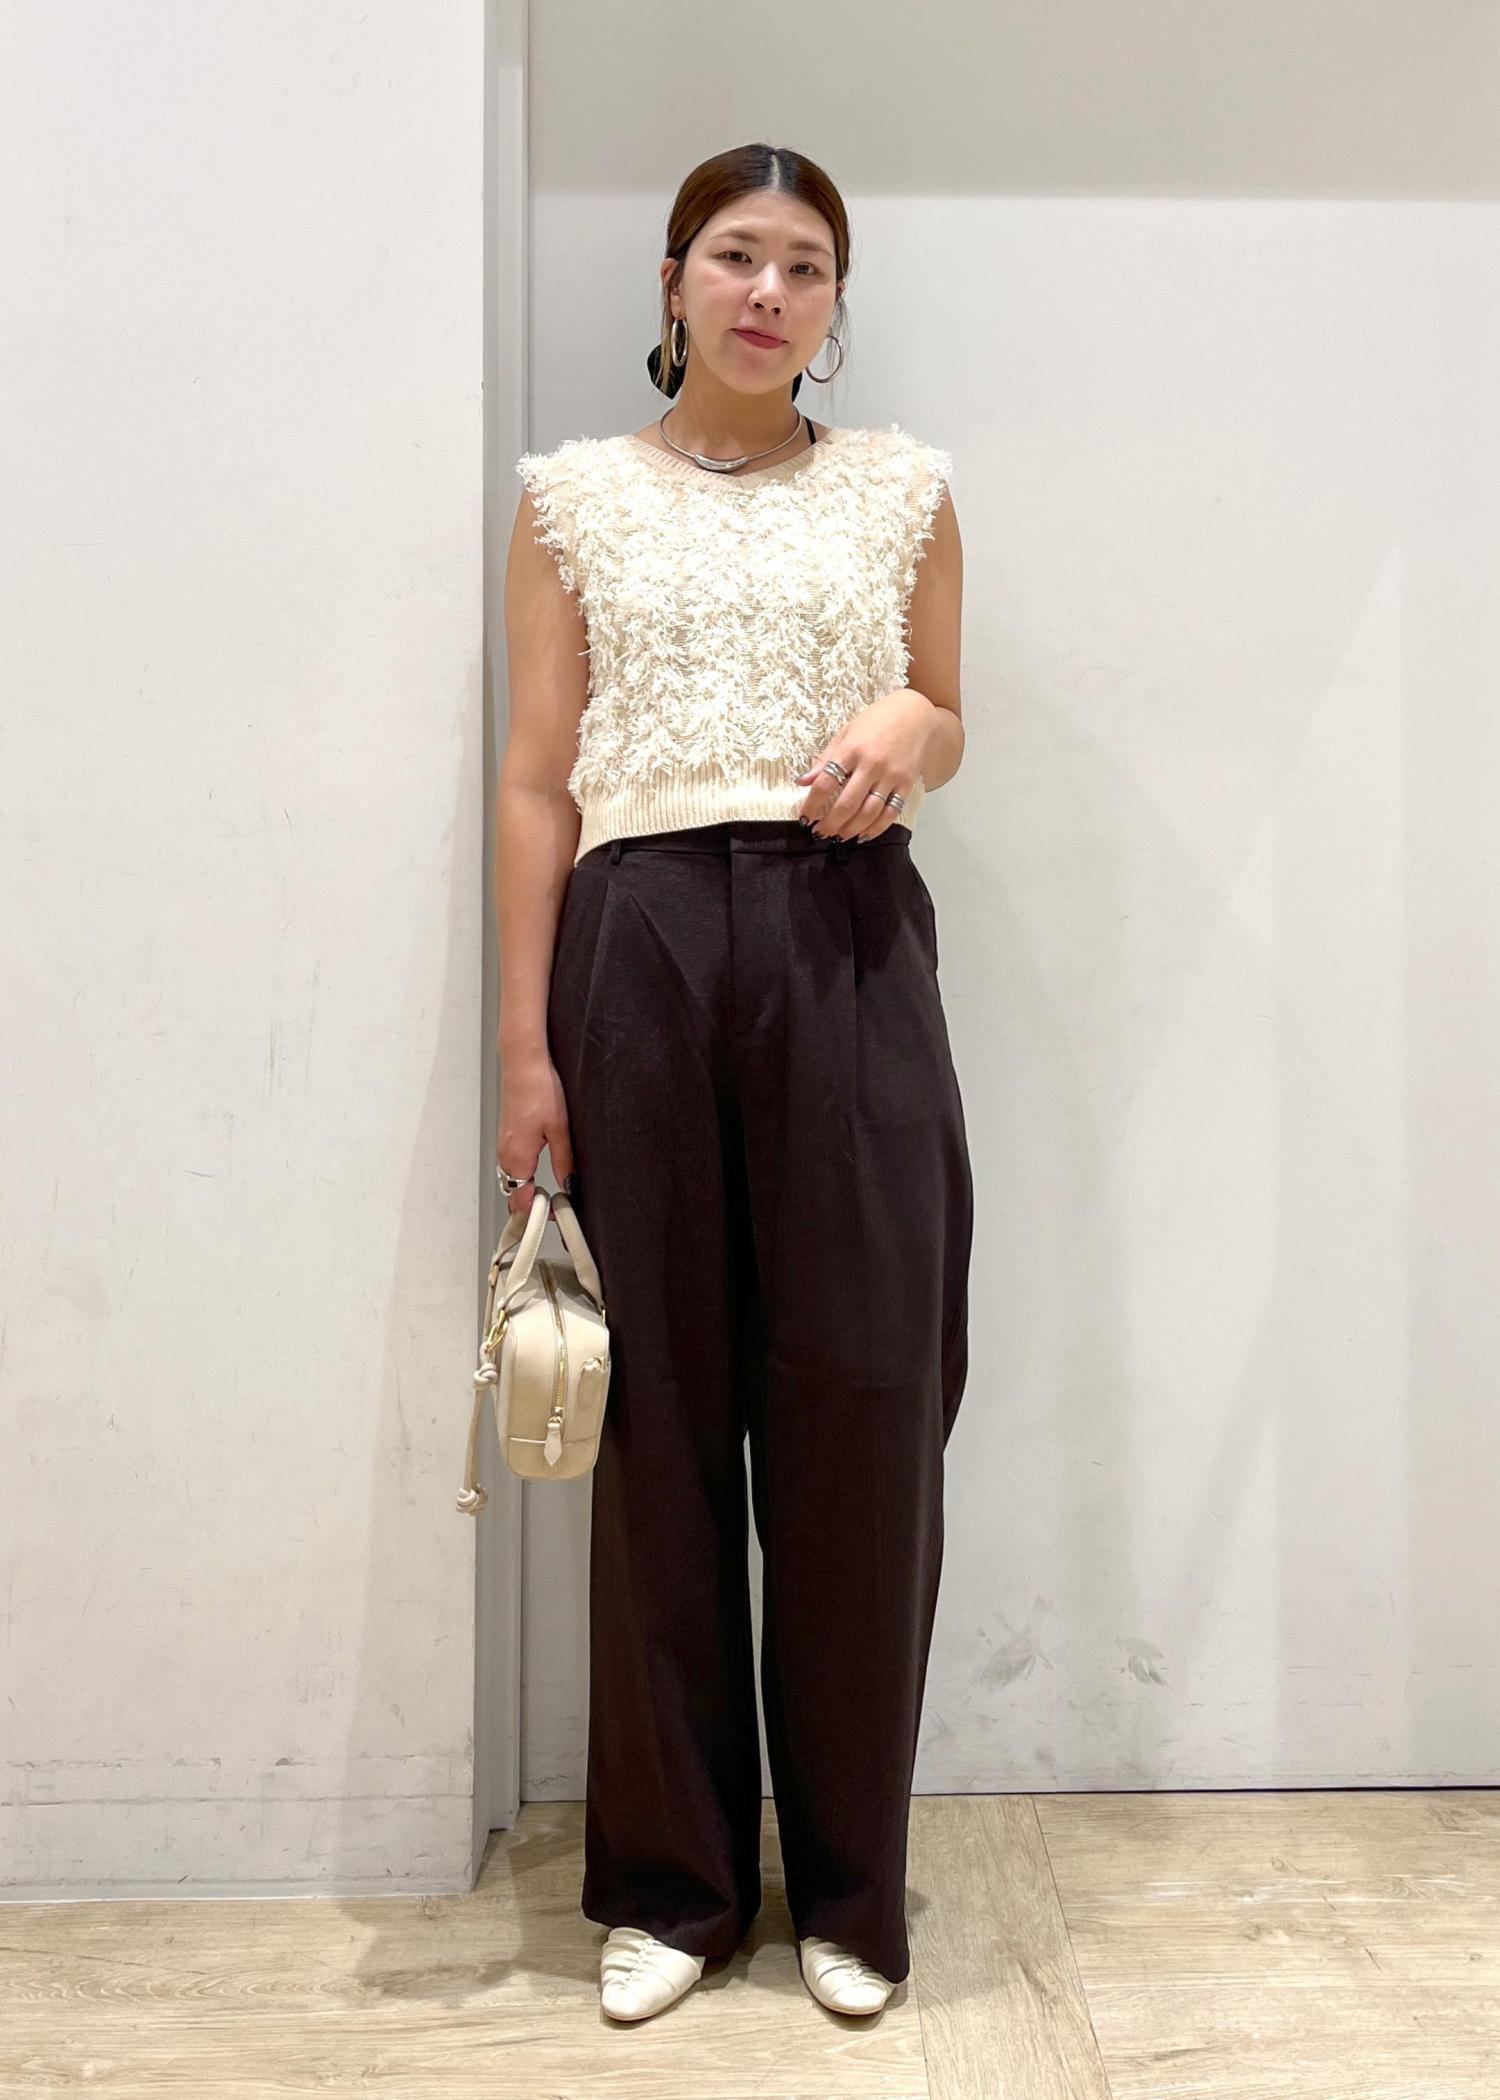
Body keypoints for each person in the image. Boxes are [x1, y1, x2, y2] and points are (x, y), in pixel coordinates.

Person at [497, 141, 973, 2023]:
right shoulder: (573, 499)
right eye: (734, 256)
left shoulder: (904, 488)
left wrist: (914, 720)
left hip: (849, 942)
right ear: (673, 279)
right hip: (638, 944)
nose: (768, 292)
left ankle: (851, 1889)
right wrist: (528, 1048)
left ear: (837, 304)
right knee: (660, 1415)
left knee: (867, 1399)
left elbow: (950, 713)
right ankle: (674, 1888)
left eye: (806, 266)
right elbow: (537, 779)